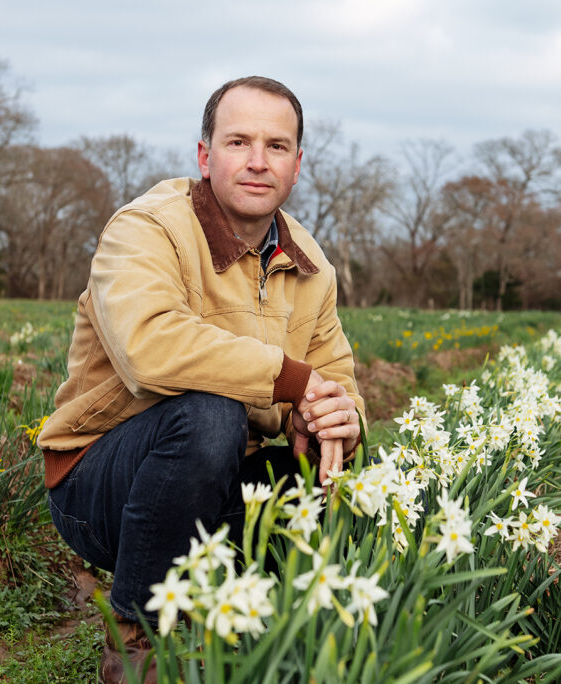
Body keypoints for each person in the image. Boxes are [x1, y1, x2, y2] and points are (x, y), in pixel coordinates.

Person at [37, 76, 363, 684]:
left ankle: (279, 636)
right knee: (211, 414)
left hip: (211, 482)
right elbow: (150, 349)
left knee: (333, 467)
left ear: (298, 164)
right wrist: (289, 383)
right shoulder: (146, 229)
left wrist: (337, 415)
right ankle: (136, 644)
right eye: (239, 142)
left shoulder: (311, 266)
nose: (258, 162)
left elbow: (334, 377)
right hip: (101, 483)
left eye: (277, 146)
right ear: (205, 154)